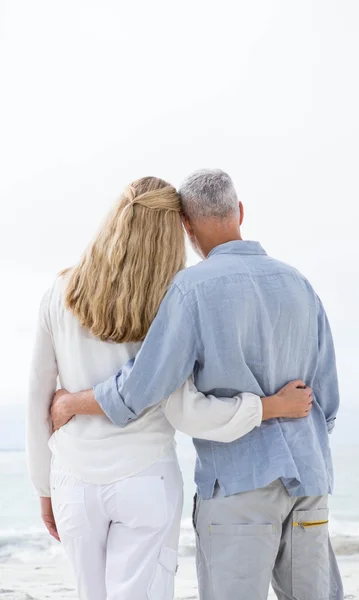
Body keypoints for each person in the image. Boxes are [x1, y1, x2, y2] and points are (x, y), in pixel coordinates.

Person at [51, 169, 342, 600]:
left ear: (186, 227)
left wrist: (71, 402)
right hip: (310, 482)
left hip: (238, 488)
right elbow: (328, 402)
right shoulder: (300, 284)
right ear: (239, 211)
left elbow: (141, 388)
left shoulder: (189, 291)